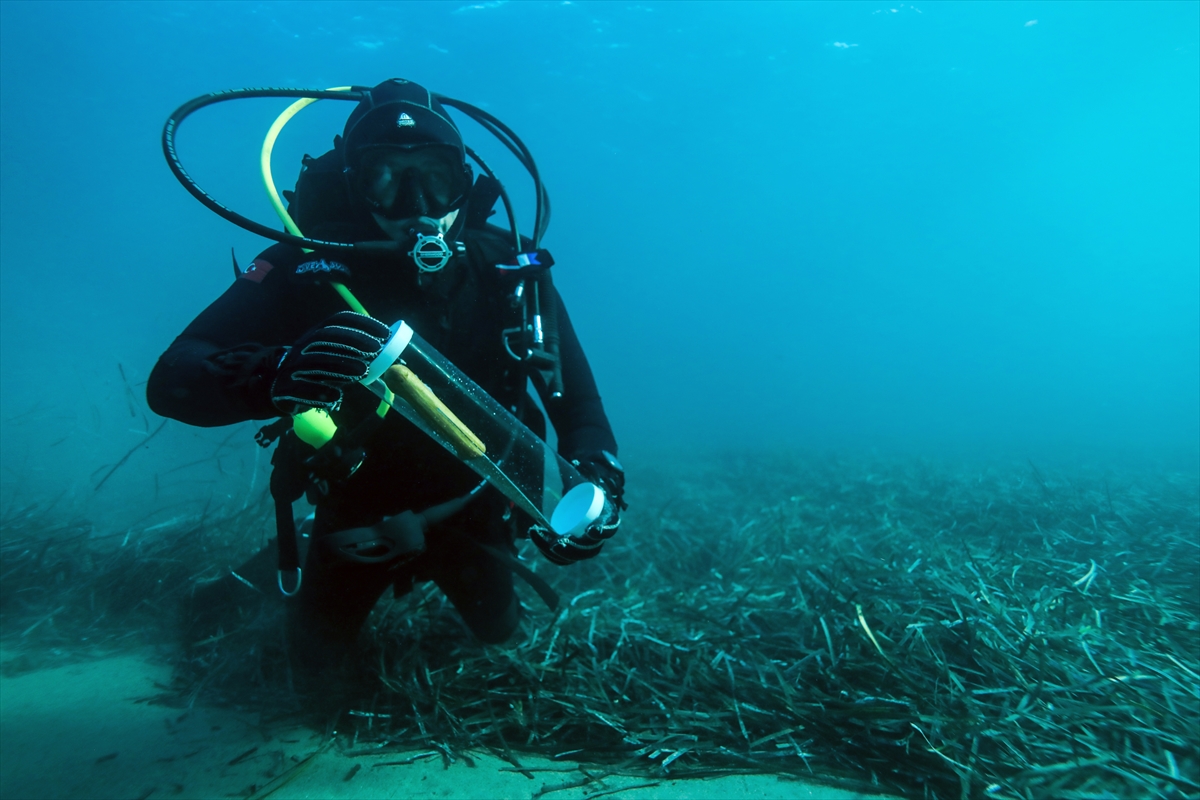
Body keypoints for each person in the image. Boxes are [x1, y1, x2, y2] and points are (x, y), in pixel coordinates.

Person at [147, 78, 624, 683]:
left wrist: (600, 479)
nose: (418, 205)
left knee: (503, 638)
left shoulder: (508, 268)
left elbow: (577, 402)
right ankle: (248, 582)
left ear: (464, 182)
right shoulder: (305, 267)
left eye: (435, 177)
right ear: (353, 184)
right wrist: (276, 370)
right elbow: (171, 379)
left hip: (475, 506)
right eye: (385, 179)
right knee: (313, 682)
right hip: (352, 515)